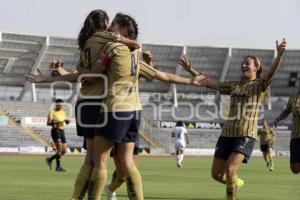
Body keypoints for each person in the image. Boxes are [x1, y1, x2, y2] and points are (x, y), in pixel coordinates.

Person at [26, 10, 140, 200]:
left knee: (90, 159)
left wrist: (51, 76)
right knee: (103, 161)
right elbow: (130, 50)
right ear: (105, 22)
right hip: (102, 101)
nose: (112, 26)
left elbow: (78, 73)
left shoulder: (86, 43)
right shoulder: (109, 40)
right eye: (110, 22)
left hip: (84, 103)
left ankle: (77, 197)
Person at [178, 39, 286, 200]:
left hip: (246, 134)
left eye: (247, 64)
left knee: (230, 170)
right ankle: (235, 182)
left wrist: (279, 55)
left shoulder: (260, 84)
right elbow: (208, 83)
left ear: (256, 68)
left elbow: (271, 72)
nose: (243, 65)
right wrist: (190, 70)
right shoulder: (234, 85)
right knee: (216, 174)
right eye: (242, 63)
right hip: (227, 134)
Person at [273, 90, 300, 174]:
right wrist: (278, 119)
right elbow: (287, 111)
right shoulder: (293, 98)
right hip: (296, 137)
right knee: (294, 169)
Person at [46, 99, 70, 172]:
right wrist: (55, 121)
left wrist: (67, 121)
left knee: (64, 151)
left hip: (62, 131)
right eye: (59, 105)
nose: (60, 106)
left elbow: (66, 121)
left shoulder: (63, 112)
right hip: (55, 131)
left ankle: (50, 159)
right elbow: (48, 123)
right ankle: (58, 167)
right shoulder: (52, 112)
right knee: (59, 148)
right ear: (56, 105)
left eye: (61, 105)